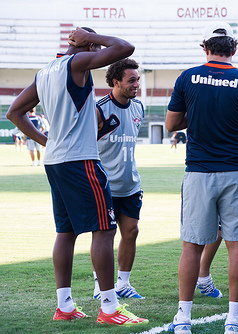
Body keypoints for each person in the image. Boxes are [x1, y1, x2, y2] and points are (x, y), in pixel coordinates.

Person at [6, 27, 148, 326]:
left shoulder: (46, 71)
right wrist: (91, 39)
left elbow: (15, 112)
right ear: (89, 46)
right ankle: (109, 308)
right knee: (105, 230)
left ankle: (65, 305)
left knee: (67, 232)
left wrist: (48, 142)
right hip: (81, 160)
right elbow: (125, 46)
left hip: (56, 161)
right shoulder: (76, 64)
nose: (99, 55)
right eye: (95, 49)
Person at [165, 22, 238, 334]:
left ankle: (183, 319)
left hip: (198, 172)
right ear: (234, 51)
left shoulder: (187, 77)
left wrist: (195, 111)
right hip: (237, 170)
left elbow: (171, 124)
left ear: (205, 48)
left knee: (192, 246)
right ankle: (234, 320)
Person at [92, 58, 145, 300]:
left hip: (130, 184)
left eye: (138, 79)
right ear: (116, 82)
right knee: (104, 236)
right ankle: (99, 286)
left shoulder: (139, 108)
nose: (137, 84)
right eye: (131, 80)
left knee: (131, 232)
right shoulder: (99, 109)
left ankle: (123, 283)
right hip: (104, 185)